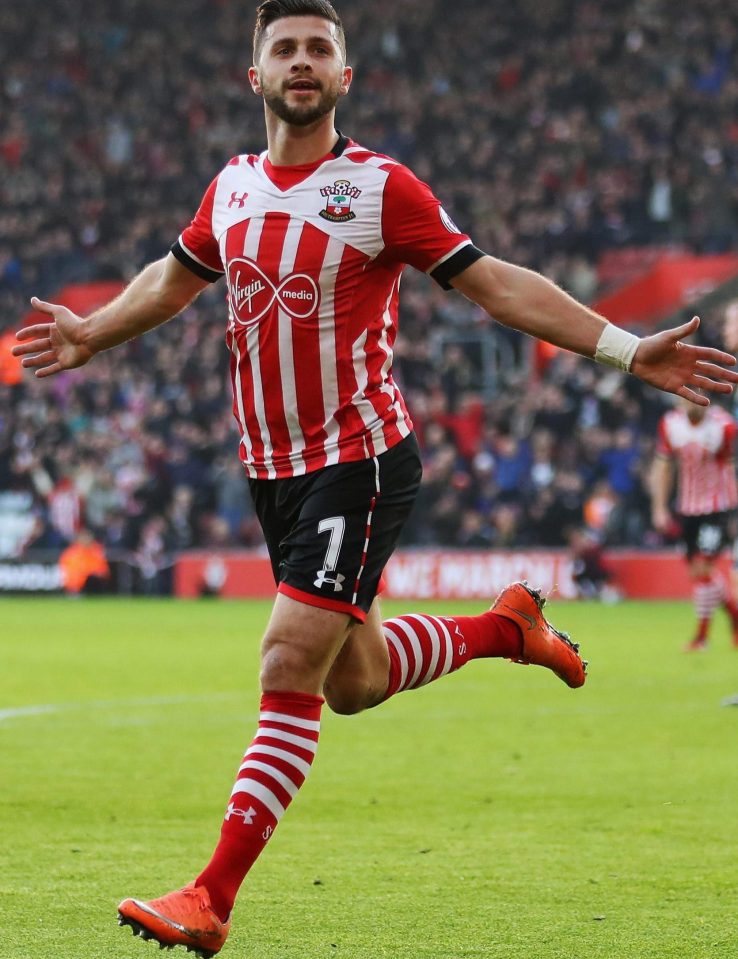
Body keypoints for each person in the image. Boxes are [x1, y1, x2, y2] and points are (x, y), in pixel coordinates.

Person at [12, 2, 738, 954]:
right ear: (256, 75)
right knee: (350, 682)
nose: (302, 62)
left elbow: (496, 281)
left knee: (286, 663)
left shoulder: (379, 188)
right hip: (272, 472)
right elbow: (178, 273)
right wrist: (92, 330)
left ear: (346, 75)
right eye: (285, 48)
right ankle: (503, 627)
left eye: (320, 49)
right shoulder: (229, 188)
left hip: (358, 459)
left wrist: (622, 348)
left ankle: (211, 895)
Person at [650, 397, 738, 650]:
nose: (692, 403)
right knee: (698, 573)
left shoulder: (723, 426)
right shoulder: (670, 425)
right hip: (687, 508)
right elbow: (663, 467)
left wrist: (732, 512)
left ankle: (702, 637)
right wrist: (659, 507)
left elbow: (730, 468)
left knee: (704, 570)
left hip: (716, 508)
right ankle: (735, 616)